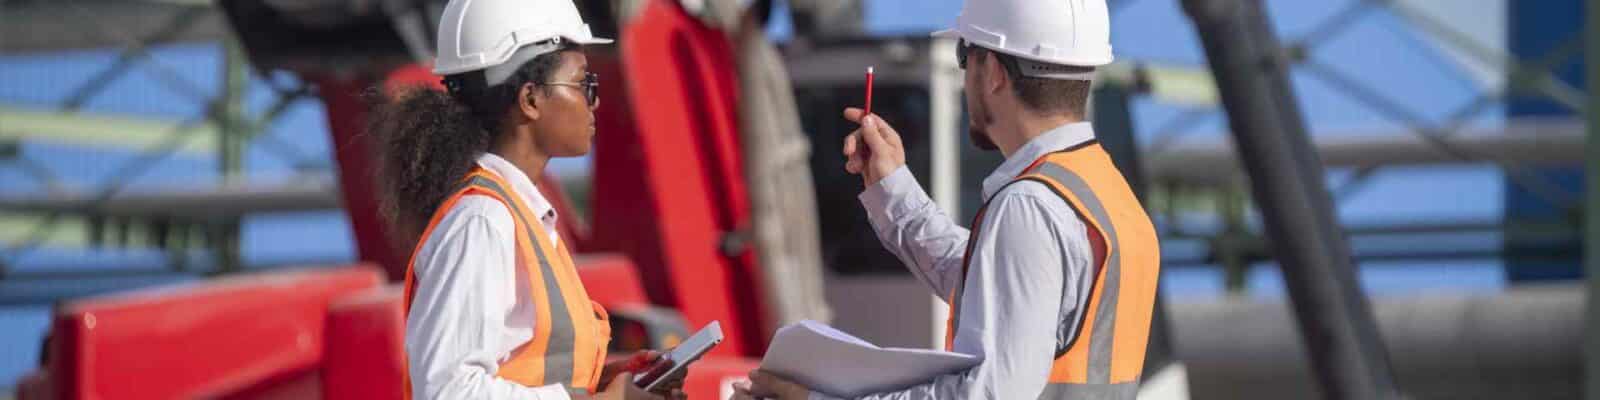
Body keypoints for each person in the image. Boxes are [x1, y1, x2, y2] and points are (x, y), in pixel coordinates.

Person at [735, 0, 1161, 399]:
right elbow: (995, 290)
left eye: (965, 56)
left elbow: (987, 393)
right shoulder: (1107, 197)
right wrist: (891, 188)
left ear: (993, 72)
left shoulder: (1029, 206)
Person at [371, 0, 678, 399]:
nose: (595, 101)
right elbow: (448, 391)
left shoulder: (518, 217)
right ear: (530, 99)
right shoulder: (482, 221)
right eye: (582, 83)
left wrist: (601, 383)